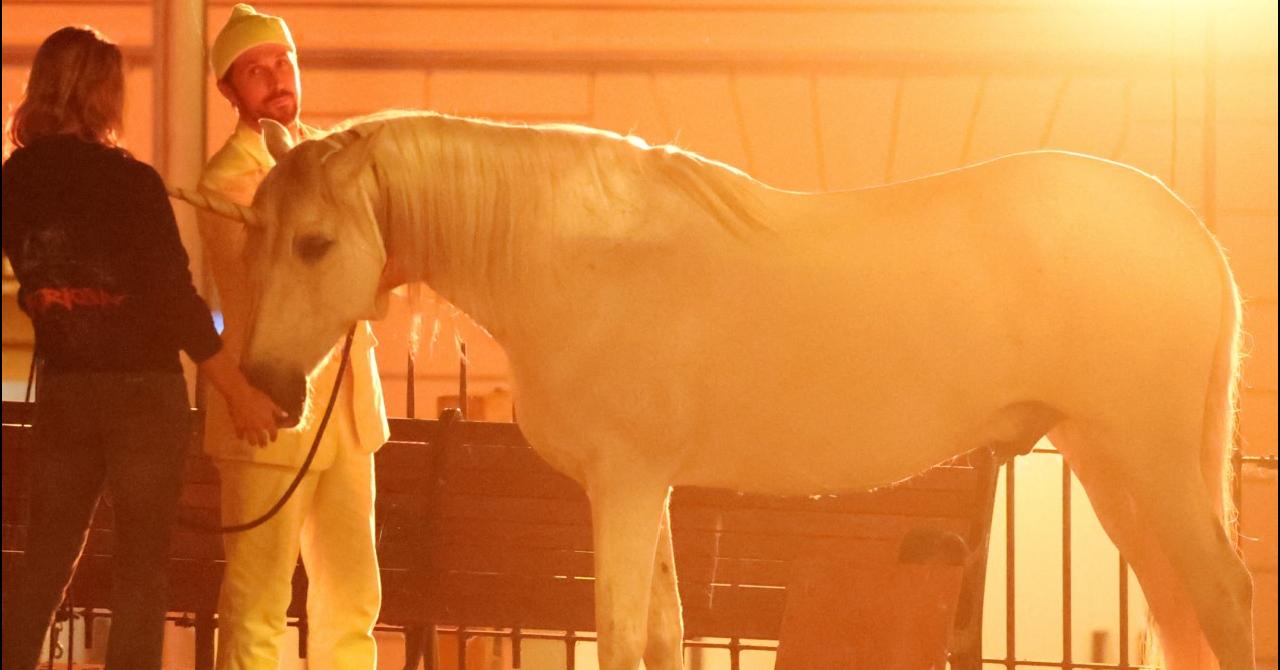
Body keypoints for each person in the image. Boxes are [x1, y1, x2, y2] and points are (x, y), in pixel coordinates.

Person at [0, 26, 283, 670]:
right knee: (140, 571)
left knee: (43, 560)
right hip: (143, 396)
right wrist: (238, 392)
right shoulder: (131, 183)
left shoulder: (15, 183)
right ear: (102, 92)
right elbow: (176, 305)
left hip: (67, 390)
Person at [199, 5, 390, 668]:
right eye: (255, 71)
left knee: (353, 602)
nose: (276, 78)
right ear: (229, 91)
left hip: (347, 414)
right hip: (268, 414)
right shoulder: (229, 181)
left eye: (282, 62)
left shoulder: (328, 159)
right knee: (257, 604)